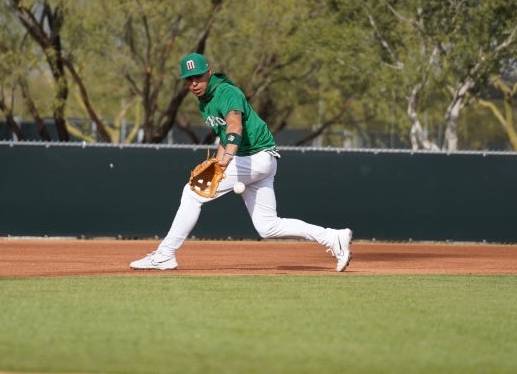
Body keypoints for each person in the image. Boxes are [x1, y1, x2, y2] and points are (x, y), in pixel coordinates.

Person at [130, 53, 352, 272]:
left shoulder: (227, 92)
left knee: (192, 192)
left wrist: (225, 161)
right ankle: (334, 237)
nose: (194, 83)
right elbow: (224, 136)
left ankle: (165, 255)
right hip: (259, 160)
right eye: (189, 79)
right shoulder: (204, 101)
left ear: (209, 72)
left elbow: (235, 126)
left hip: (254, 157)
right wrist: (218, 161)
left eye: (198, 76)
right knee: (268, 227)